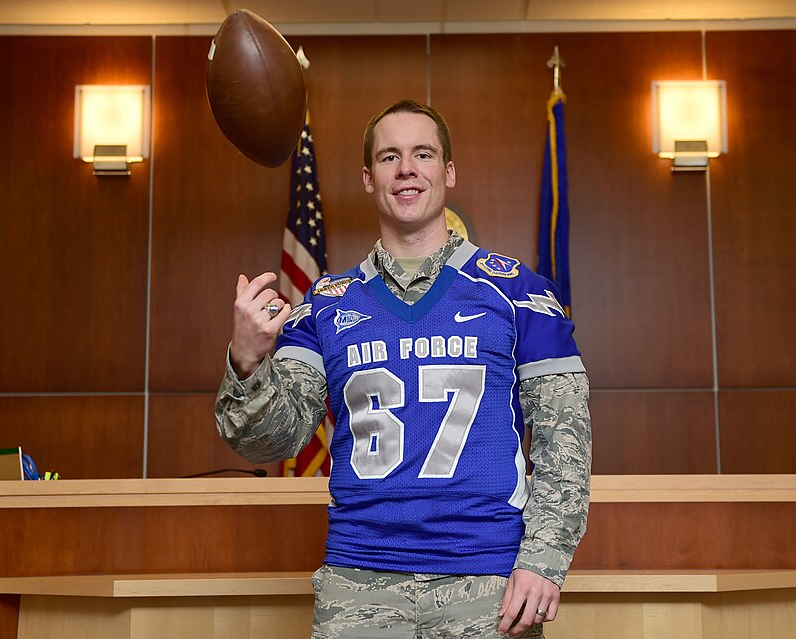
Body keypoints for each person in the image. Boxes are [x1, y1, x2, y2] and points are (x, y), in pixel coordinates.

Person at [215, 99, 592, 639]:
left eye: (423, 153)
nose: (407, 168)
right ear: (369, 178)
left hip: (486, 582)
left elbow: (565, 441)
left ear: (449, 171)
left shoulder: (519, 292)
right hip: (358, 583)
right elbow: (271, 442)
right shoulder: (325, 303)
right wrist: (248, 360)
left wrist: (544, 558)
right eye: (390, 157)